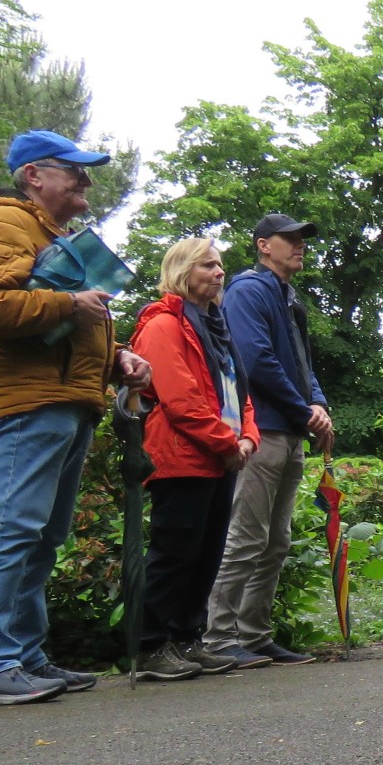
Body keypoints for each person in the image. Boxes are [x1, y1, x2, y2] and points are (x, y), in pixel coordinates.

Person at [0, 130, 153, 705]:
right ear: (35, 175)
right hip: (29, 402)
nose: (86, 182)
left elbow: (67, 327)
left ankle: (22, 656)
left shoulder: (48, 234)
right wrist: (70, 301)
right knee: (11, 529)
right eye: (75, 171)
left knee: (42, 536)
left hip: (67, 399)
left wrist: (118, 360)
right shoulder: (1, 221)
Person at [126, 238, 263, 682]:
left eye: (220, 265)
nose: (219, 272)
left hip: (219, 456)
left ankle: (187, 639)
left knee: (206, 554)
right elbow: (181, 399)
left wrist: (247, 437)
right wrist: (228, 443)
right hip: (183, 456)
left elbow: (238, 392)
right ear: (182, 271)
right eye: (208, 265)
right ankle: (150, 647)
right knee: (174, 553)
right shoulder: (163, 325)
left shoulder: (214, 325)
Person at [204, 213, 333, 667]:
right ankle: (218, 639)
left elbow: (301, 363)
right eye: (290, 239)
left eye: (302, 239)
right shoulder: (248, 291)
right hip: (261, 434)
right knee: (245, 537)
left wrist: (317, 405)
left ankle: (254, 636)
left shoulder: (287, 296)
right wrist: (303, 410)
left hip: (290, 431)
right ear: (263, 245)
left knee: (275, 541)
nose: (299, 245)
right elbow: (255, 361)